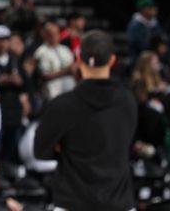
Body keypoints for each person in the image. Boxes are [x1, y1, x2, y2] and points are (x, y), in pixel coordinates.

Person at [35, 30, 137, 211]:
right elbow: (126, 143)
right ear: (112, 60)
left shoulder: (62, 105)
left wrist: (65, 148)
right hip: (119, 202)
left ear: (79, 60)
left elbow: (40, 151)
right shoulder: (127, 101)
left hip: (73, 201)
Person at [0, 25, 25, 163]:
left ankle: (8, 170)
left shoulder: (16, 59)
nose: (2, 43)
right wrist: (3, 81)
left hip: (14, 107)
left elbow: (24, 82)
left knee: (13, 141)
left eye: (5, 40)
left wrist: (16, 81)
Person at [33, 21, 76, 101]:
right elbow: (44, 76)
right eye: (51, 34)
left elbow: (73, 69)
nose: (54, 36)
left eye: (56, 33)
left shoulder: (65, 49)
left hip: (69, 92)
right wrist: (65, 71)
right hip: (52, 94)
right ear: (45, 35)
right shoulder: (41, 52)